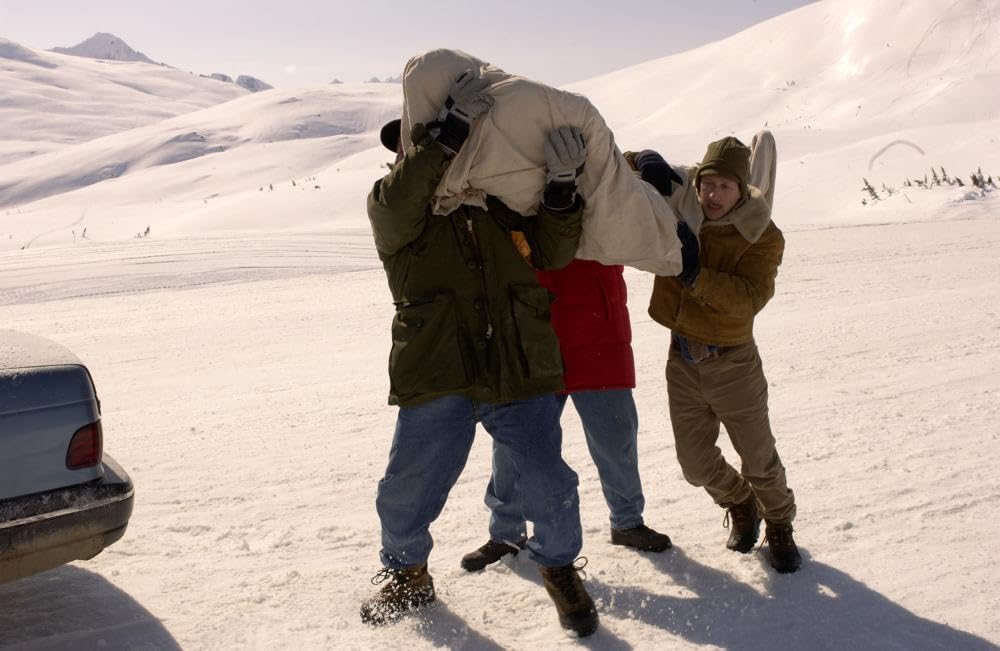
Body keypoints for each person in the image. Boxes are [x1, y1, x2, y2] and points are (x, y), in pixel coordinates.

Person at [361, 70, 599, 637]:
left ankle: (561, 569)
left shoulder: (502, 203)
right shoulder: (394, 208)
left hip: (520, 363)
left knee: (549, 482)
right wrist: (443, 136)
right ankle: (408, 573)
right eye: (411, 147)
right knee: (408, 487)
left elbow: (553, 250)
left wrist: (562, 192)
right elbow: (399, 205)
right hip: (439, 368)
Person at [626, 133, 802, 573]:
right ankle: (740, 501)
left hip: (733, 363)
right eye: (707, 184)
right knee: (694, 464)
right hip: (682, 358)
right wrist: (642, 160)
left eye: (725, 186)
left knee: (759, 459)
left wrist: (693, 274)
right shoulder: (683, 205)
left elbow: (749, 298)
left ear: (742, 190)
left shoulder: (762, 234)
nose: (712, 194)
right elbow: (618, 173)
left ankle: (779, 524)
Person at [461, 257, 672, 573]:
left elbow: (636, 230)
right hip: (533, 334)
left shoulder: (608, 203)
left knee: (616, 440)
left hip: (600, 330)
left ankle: (627, 522)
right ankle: (506, 533)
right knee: (514, 446)